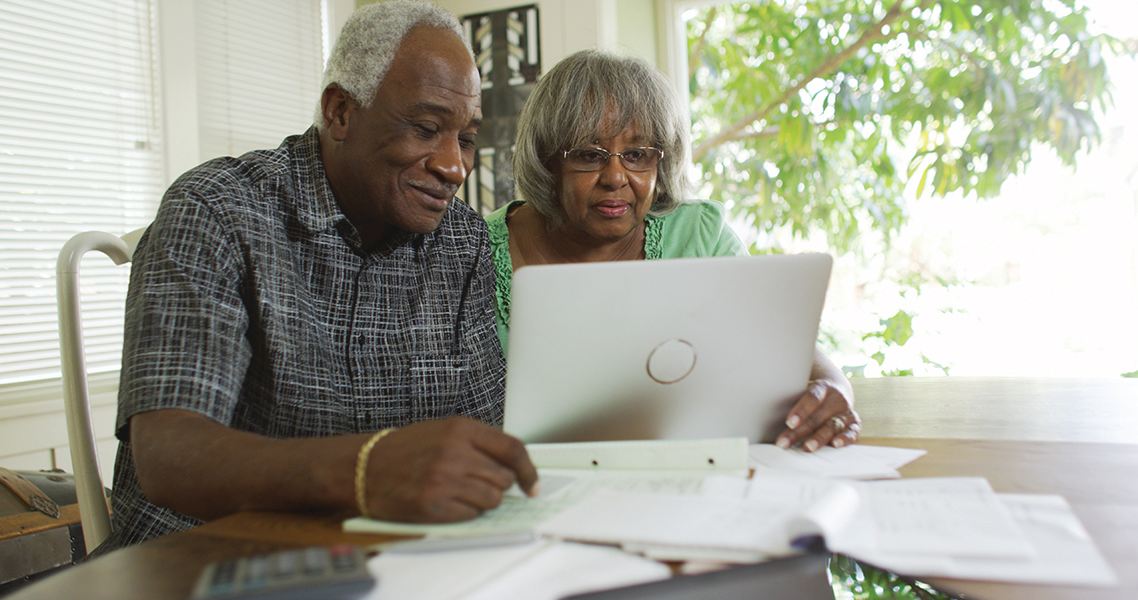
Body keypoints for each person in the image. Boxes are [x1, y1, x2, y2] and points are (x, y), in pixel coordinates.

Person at [94, 1, 537, 555]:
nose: (454, 166)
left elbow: (482, 433)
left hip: (387, 561)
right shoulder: (217, 211)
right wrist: (366, 471)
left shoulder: (463, 242)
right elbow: (170, 454)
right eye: (426, 129)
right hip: (203, 561)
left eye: (465, 139)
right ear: (340, 112)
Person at [486, 49, 860, 452]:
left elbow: (774, 341)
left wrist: (835, 387)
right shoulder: (473, 251)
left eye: (637, 155)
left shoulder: (700, 235)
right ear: (547, 162)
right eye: (589, 155)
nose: (615, 177)